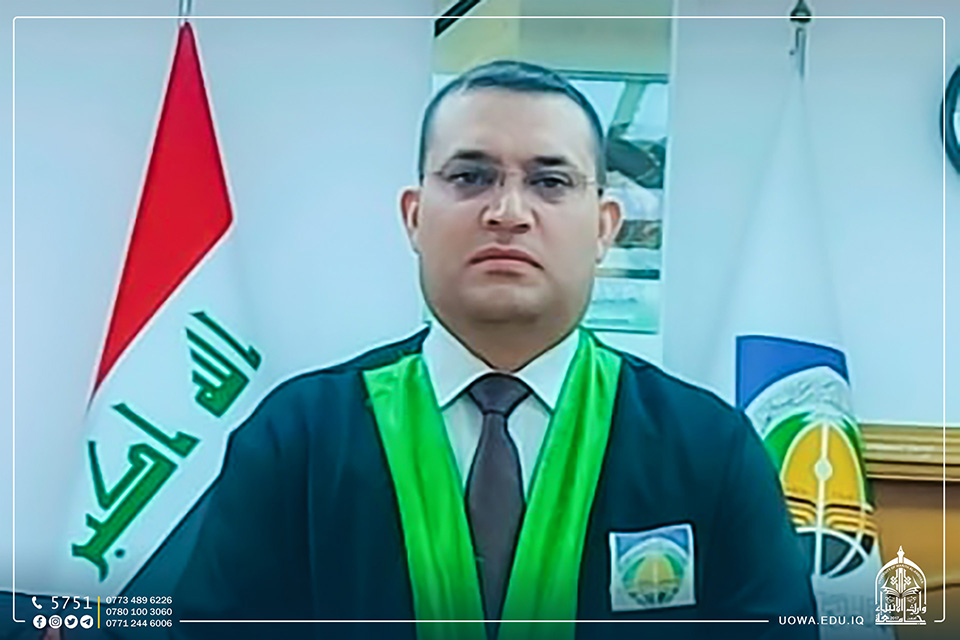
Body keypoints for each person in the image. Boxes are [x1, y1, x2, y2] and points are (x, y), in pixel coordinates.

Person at [170, 60, 816, 640]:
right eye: (470, 176)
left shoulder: (710, 446)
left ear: (604, 227)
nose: (508, 212)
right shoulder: (298, 437)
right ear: (415, 217)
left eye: (550, 181)